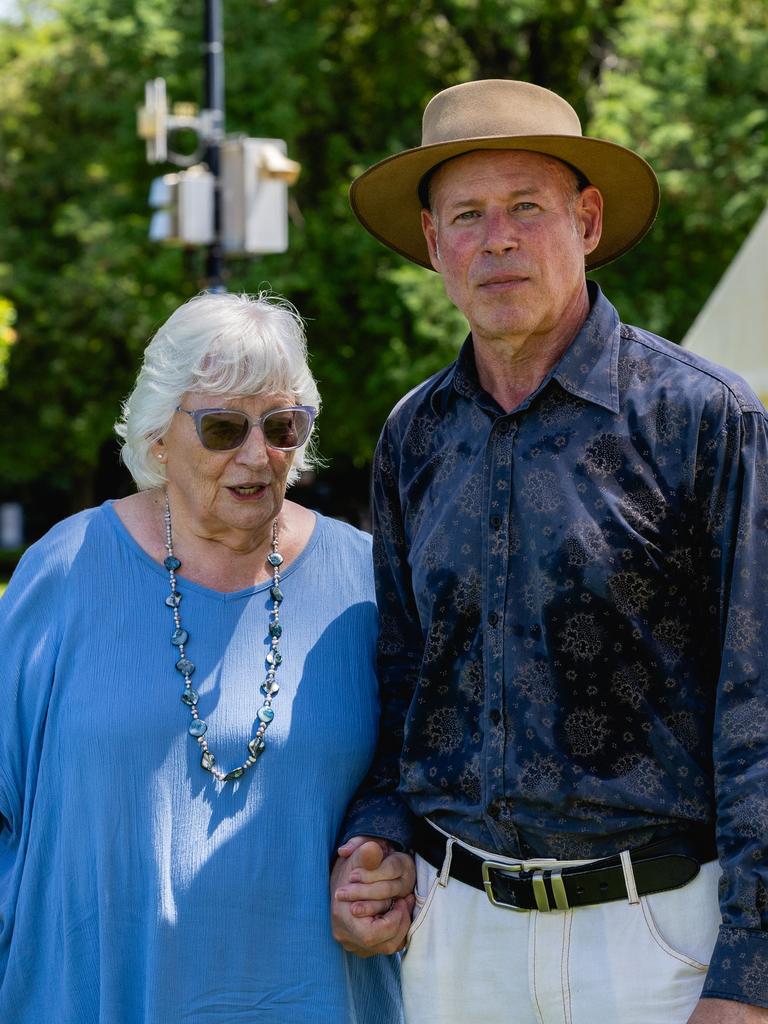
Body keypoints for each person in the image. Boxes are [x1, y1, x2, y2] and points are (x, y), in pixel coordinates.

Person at [330, 79, 768, 1024]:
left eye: (526, 207)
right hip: (457, 939)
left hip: (659, 941)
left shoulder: (704, 417)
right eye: (468, 215)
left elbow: (760, 702)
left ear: (588, 221)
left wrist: (750, 970)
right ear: (434, 242)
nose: (497, 239)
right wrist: (376, 837)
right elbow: (405, 678)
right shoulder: (414, 433)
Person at [0, 291, 405, 1023]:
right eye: (222, 428)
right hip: (97, 997)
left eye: (281, 427)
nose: (257, 455)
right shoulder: (63, 573)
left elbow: (423, 788)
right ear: (159, 438)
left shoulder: (366, 584)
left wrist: (395, 862)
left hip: (314, 998)